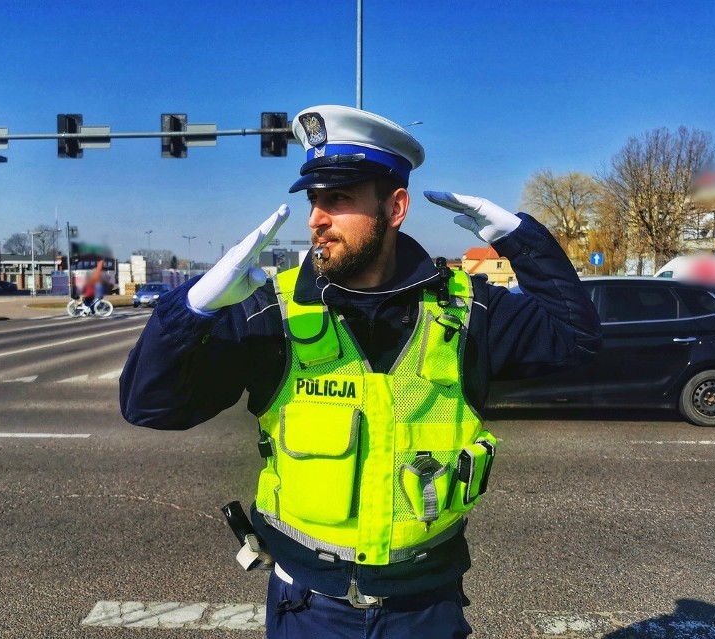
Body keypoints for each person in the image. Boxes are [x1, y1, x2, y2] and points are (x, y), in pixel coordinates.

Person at [119, 105, 601, 638]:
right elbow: (150, 405)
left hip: (425, 606)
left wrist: (521, 241)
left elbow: (576, 340)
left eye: (339, 199)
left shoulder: (466, 311)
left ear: (395, 208)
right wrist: (189, 312)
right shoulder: (272, 314)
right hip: (309, 608)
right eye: (313, 199)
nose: (316, 218)